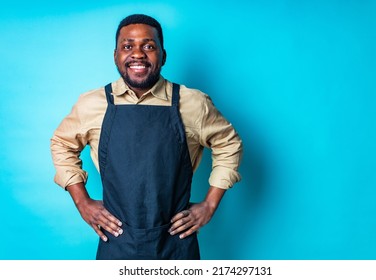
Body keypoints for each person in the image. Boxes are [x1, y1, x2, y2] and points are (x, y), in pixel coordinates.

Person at [50, 14, 242, 260]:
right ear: (116, 56)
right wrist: (82, 201)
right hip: (116, 241)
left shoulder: (193, 103)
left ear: (163, 56)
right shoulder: (92, 103)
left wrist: (209, 204)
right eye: (128, 46)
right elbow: (62, 143)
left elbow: (230, 144)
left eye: (149, 46)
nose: (138, 54)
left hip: (176, 243)